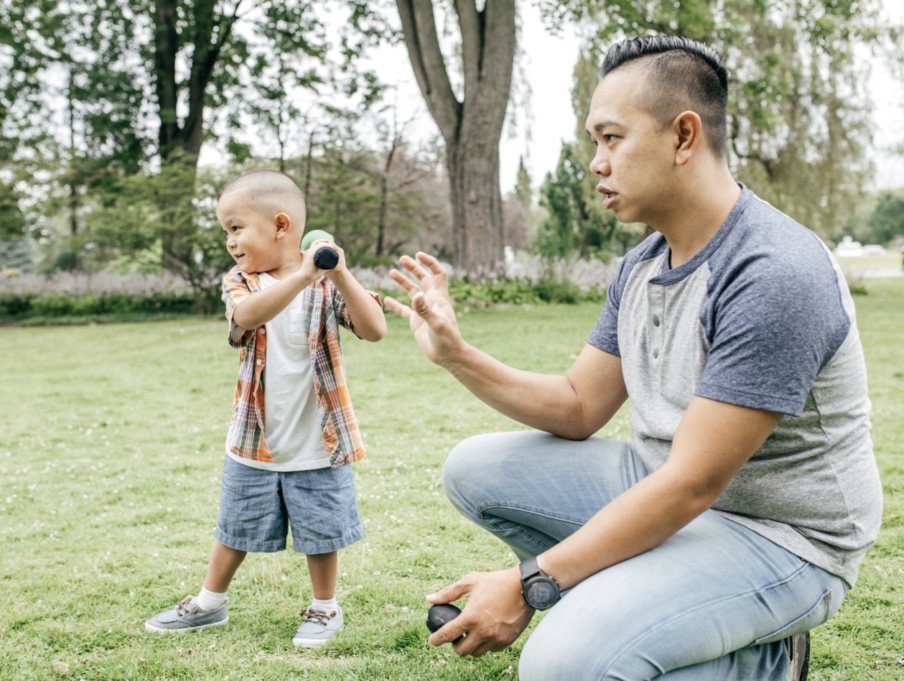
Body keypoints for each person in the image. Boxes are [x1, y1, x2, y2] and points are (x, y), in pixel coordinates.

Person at [385, 36, 882, 680]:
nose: (595, 163)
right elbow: (580, 405)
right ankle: (653, 603)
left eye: (611, 138)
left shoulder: (773, 272)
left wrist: (532, 582)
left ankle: (762, 659)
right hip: (666, 485)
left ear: (683, 137)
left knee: (562, 665)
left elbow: (693, 483)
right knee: (474, 469)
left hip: (779, 536)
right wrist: (457, 355)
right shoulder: (643, 264)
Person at [144, 170, 386, 647]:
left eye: (236, 228)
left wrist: (338, 271)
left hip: (318, 438)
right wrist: (302, 275)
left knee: (321, 532)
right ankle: (210, 603)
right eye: (225, 232)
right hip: (254, 438)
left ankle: (323, 608)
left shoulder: (324, 280)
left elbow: (374, 328)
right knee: (235, 524)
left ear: (280, 225)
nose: (230, 242)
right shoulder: (241, 282)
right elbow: (246, 318)